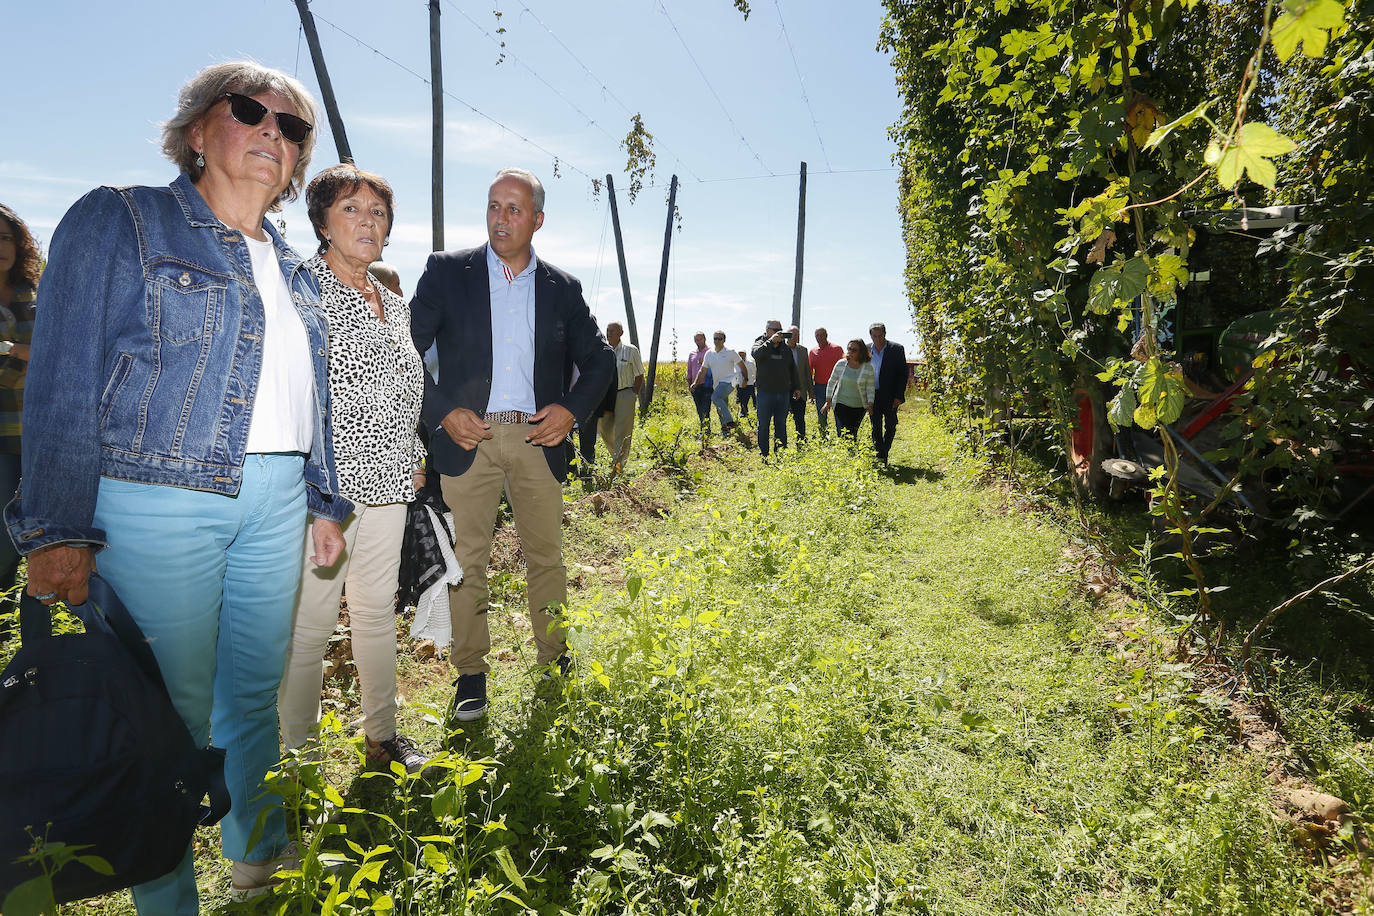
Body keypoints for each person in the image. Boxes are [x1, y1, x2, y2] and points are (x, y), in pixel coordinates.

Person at [5, 61, 350, 910]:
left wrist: (324, 496)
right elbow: (62, 375)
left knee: (251, 702)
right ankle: (168, 902)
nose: (274, 131)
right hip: (158, 501)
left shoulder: (299, 270)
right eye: (251, 111)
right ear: (199, 130)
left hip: (276, 502)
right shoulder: (122, 219)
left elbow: (314, 392)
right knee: (168, 719)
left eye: (293, 126)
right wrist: (53, 531)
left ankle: (259, 865)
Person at [410, 168, 614, 723]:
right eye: (494, 206)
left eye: (514, 209)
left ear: (537, 220)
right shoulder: (448, 272)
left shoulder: (562, 289)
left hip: (535, 437)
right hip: (465, 438)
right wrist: (441, 413)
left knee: (545, 556)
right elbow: (404, 351)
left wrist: (571, 411)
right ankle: (471, 676)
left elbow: (600, 362)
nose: (501, 218)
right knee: (467, 562)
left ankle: (554, 663)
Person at [278, 164, 429, 775]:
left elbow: (403, 390)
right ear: (321, 221)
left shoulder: (394, 304)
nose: (369, 221)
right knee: (311, 624)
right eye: (352, 209)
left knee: (373, 612)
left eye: (379, 213)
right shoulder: (301, 290)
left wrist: (410, 450)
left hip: (392, 484)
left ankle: (382, 737)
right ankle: (298, 759)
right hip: (328, 493)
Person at [0, 204, 40, 594]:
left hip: (41, 431)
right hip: (3, 436)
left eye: (5, 237)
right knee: (2, 536)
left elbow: (63, 354)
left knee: (46, 532)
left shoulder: (36, 293)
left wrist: (13, 350)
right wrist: (24, 354)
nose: (0, 246)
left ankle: (38, 640)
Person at [750, 319, 802, 457]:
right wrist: (771, 341)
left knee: (781, 424)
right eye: (775, 330)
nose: (779, 332)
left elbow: (792, 368)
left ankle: (780, 453)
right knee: (764, 425)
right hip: (765, 392)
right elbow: (756, 354)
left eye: (780, 329)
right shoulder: (760, 342)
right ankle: (764, 454)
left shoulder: (785, 348)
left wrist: (797, 386)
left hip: (783, 392)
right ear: (768, 331)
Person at [598, 321, 644, 474]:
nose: (609, 333)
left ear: (621, 333)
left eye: (612, 331)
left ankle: (618, 466)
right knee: (603, 426)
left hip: (625, 393)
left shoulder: (631, 350)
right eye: (607, 330)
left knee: (623, 431)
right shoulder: (603, 350)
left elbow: (639, 374)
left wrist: (633, 394)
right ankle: (616, 456)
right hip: (606, 395)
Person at [821, 339, 876, 440]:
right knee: (846, 431)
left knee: (853, 432)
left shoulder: (868, 368)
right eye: (849, 349)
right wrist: (828, 401)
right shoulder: (841, 364)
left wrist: (870, 403)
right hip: (841, 404)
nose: (850, 352)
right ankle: (847, 452)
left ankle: (849, 452)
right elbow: (832, 382)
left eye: (854, 350)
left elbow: (870, 388)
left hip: (859, 406)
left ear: (861, 352)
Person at [869, 322, 908, 464]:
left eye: (880, 336)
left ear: (885, 334)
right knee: (876, 426)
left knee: (891, 425)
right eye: (875, 336)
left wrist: (899, 396)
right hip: (872, 395)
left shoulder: (896, 349)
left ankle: (884, 450)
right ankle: (881, 455)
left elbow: (903, 374)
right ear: (871, 336)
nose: (878, 339)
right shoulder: (866, 349)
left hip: (891, 396)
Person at [697, 331, 741, 432]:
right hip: (717, 384)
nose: (717, 341)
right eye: (715, 339)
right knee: (721, 407)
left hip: (731, 381)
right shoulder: (709, 354)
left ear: (724, 340)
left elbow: (742, 366)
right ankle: (726, 431)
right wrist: (695, 382)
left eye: (719, 339)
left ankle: (730, 421)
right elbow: (703, 370)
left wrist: (745, 379)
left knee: (715, 397)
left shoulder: (730, 352)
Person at [809, 327, 844, 436]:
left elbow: (844, 367)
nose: (819, 338)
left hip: (836, 387)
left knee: (839, 414)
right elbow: (809, 371)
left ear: (826, 335)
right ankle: (823, 437)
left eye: (821, 335)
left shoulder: (837, 349)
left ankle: (841, 438)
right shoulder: (812, 352)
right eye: (817, 335)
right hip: (819, 387)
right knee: (821, 414)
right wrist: (811, 390)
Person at [787, 324, 812, 443]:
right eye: (791, 334)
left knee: (799, 419)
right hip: (784, 390)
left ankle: (801, 443)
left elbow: (807, 371)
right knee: (781, 420)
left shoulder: (803, 350)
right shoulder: (780, 349)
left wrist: (811, 391)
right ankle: (782, 445)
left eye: (796, 335)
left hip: (800, 390)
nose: (794, 337)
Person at [686, 331, 714, 430]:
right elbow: (689, 370)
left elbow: (714, 367)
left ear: (704, 339)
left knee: (705, 409)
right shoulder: (692, 354)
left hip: (707, 384)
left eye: (700, 339)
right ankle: (704, 430)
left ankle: (705, 432)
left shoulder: (710, 352)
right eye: (696, 340)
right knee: (699, 409)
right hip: (694, 386)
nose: (698, 342)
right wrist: (689, 384)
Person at [736, 349, 756, 417]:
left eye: (743, 355)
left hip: (749, 385)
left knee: (745, 400)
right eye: (740, 355)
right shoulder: (736, 365)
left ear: (745, 355)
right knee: (741, 401)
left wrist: (751, 381)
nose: (741, 357)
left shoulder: (750, 364)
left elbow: (755, 373)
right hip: (740, 385)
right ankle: (745, 413)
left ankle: (742, 414)